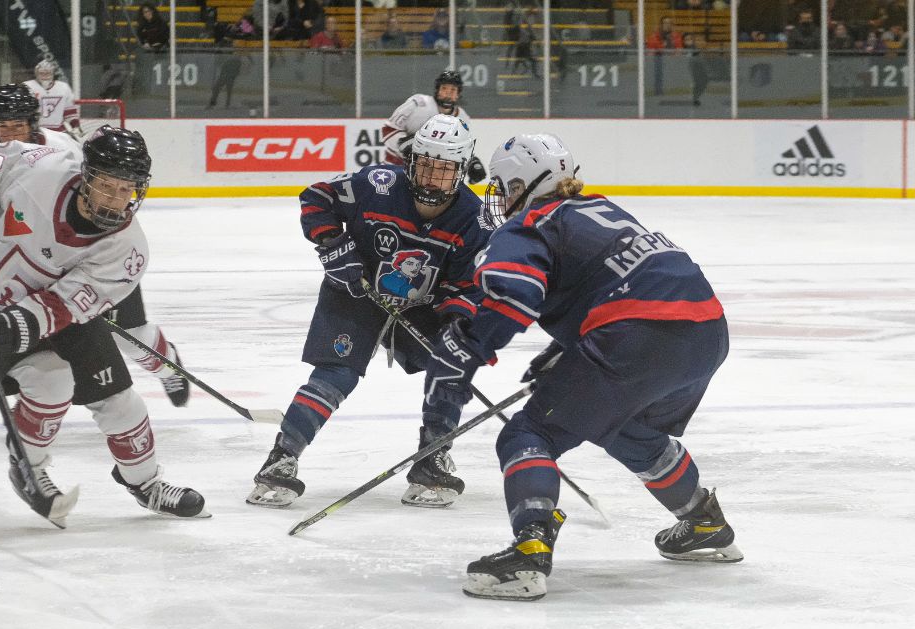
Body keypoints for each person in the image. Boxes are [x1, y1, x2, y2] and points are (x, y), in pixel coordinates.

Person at [422, 133, 740, 602]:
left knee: (527, 435)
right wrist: (576, 344)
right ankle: (705, 523)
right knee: (628, 428)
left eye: (504, 186)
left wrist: (467, 349)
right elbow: (615, 276)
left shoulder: (531, 222)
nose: (501, 197)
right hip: (707, 332)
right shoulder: (601, 207)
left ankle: (529, 553)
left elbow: (514, 294)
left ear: (522, 183)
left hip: (637, 334)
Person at [0, 126, 209, 527]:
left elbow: (61, 306)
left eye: (128, 190)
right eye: (108, 186)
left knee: (121, 400)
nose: (118, 200)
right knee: (50, 382)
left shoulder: (127, 251)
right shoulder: (41, 167)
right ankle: (29, 467)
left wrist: (10, 327)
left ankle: (147, 483)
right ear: (86, 177)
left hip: (55, 315)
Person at [246, 114, 490, 510]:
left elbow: (465, 286)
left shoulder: (473, 219)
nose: (431, 178)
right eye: (425, 165)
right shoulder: (378, 184)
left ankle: (432, 458)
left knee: (452, 365)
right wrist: (332, 244)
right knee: (335, 374)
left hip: (422, 307)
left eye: (443, 171)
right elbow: (317, 197)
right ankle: (281, 459)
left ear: (461, 172)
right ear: (411, 162)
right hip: (355, 290)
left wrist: (454, 327)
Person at [0, 85, 192, 408]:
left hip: (83, 259)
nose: (12, 134)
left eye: (20, 126)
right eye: (4, 126)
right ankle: (41, 410)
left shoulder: (61, 147)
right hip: (15, 266)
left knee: (131, 332)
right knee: (36, 348)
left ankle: (167, 366)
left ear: (33, 123)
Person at [381, 69, 487, 184]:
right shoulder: (418, 104)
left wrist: (472, 162)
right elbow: (388, 129)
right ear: (437, 90)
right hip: (397, 168)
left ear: (458, 95)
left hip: (431, 177)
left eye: (453, 90)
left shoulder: (462, 118)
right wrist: (404, 145)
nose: (448, 93)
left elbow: (461, 148)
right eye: (444, 88)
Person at [23, 59, 83, 139]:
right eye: (41, 73)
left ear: (53, 73)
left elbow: (69, 112)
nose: (44, 76)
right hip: (35, 132)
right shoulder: (27, 87)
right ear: (36, 74)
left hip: (59, 132)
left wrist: (75, 126)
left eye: (47, 73)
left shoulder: (63, 87)